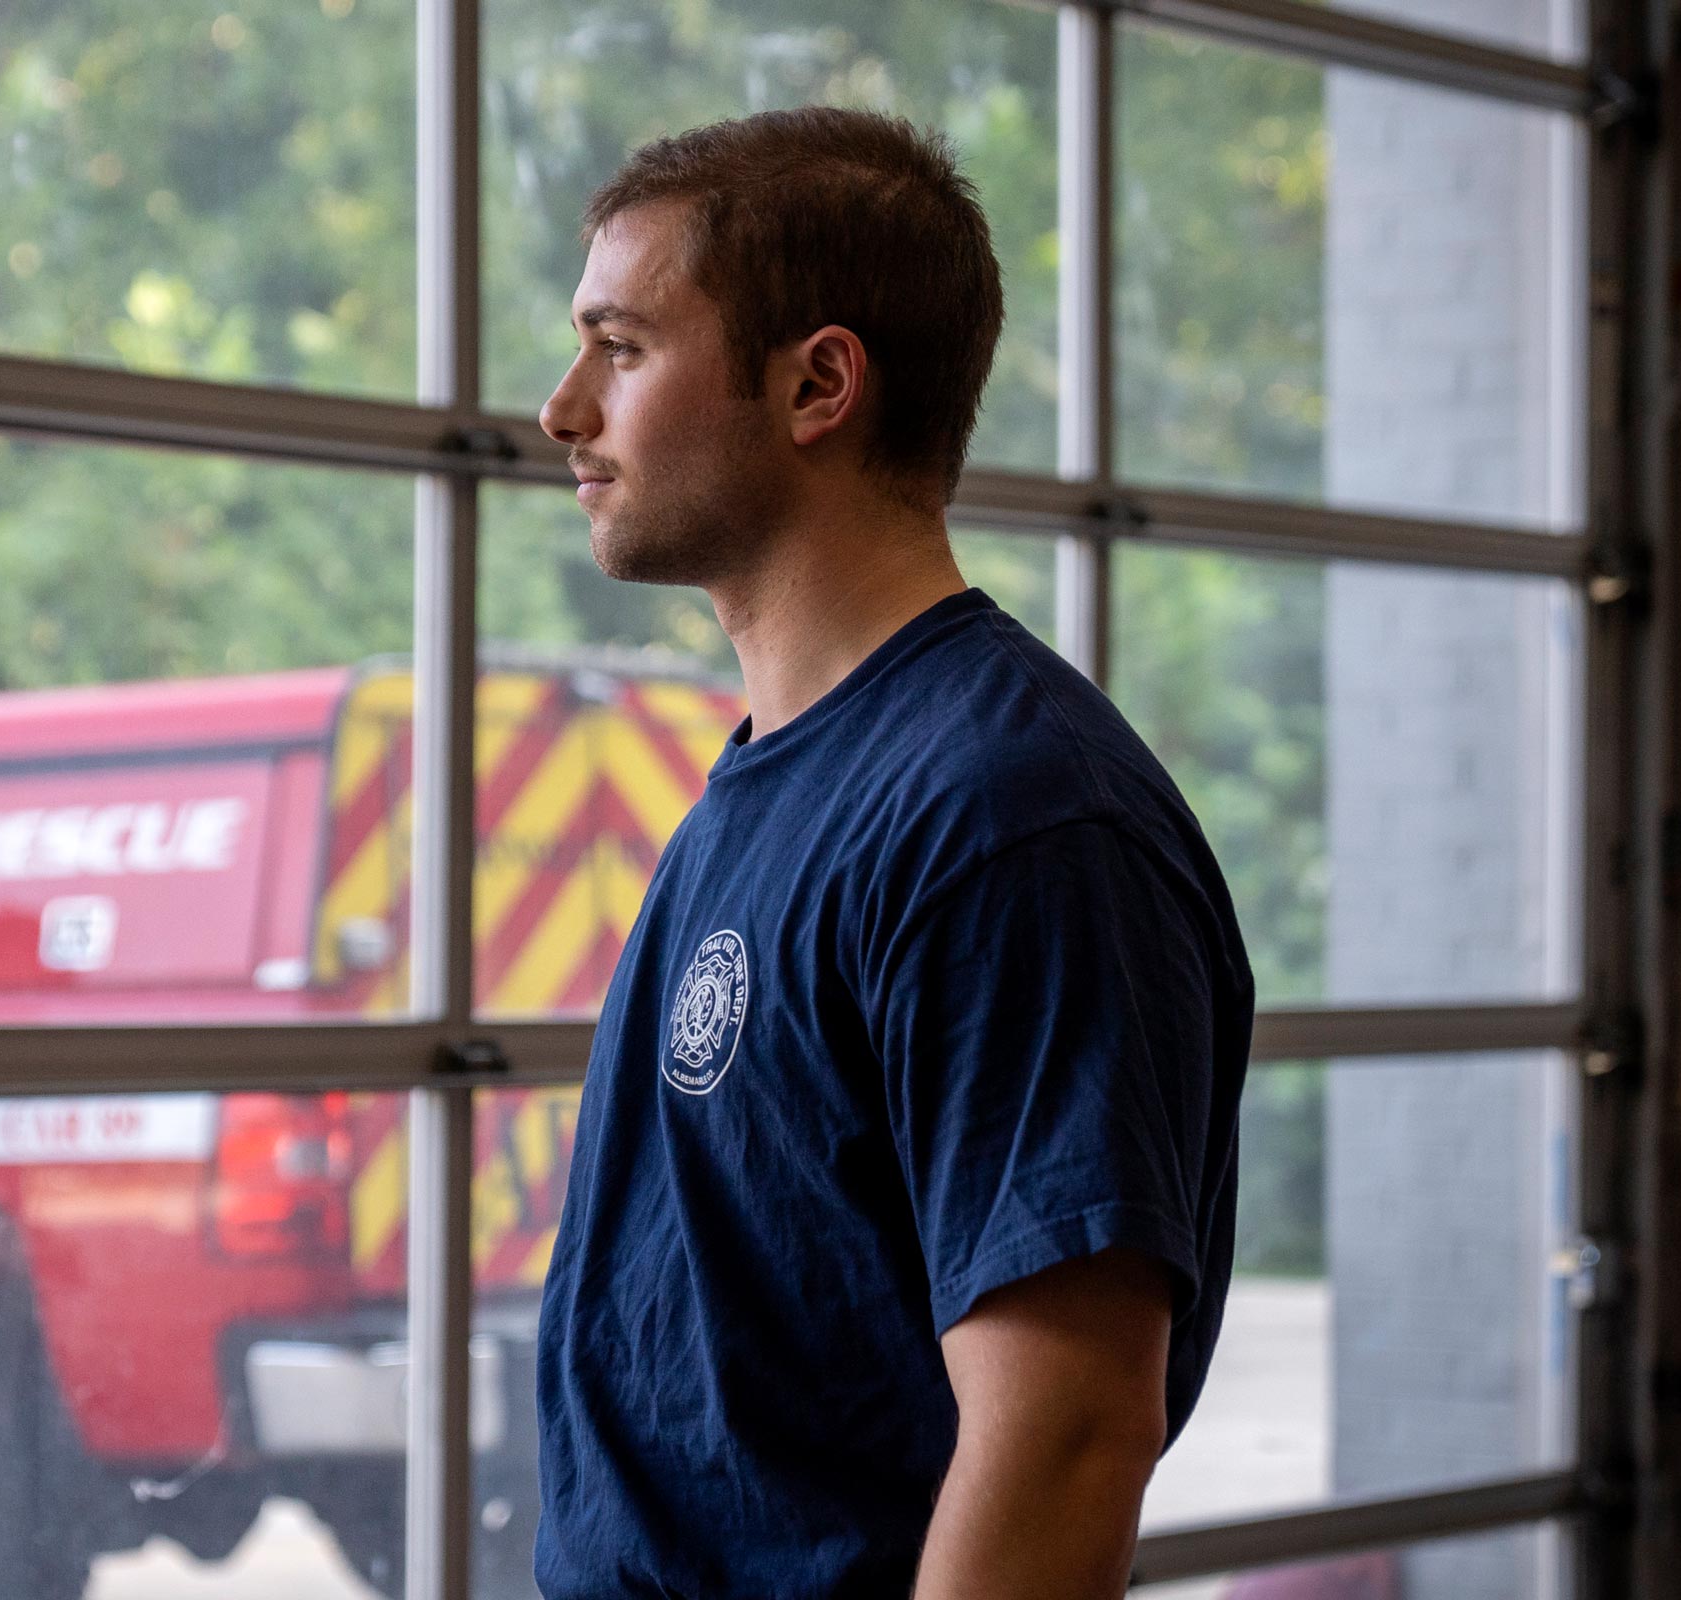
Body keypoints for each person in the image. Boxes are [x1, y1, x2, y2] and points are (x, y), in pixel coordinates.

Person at [530, 106, 1255, 1599]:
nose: (562, 409)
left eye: (623, 346)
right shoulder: (776, 781)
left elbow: (1066, 1432)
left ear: (818, 385)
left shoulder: (1011, 819)